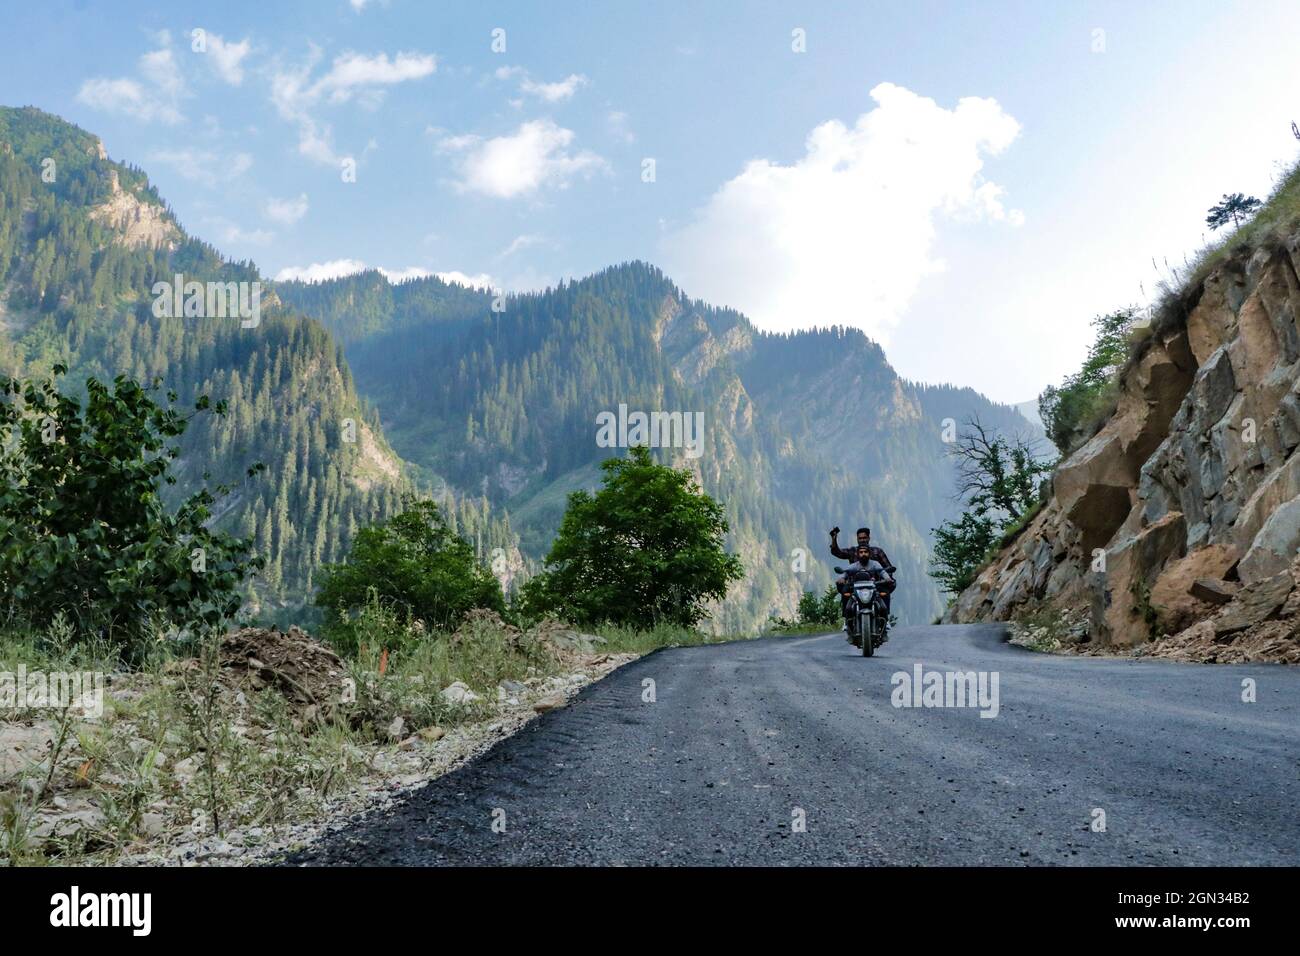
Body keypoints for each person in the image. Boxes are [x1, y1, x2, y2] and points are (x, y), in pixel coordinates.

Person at [836, 544, 894, 645]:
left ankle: (884, 630)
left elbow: (882, 572)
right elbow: (845, 573)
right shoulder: (854, 566)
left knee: (883, 607)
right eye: (861, 552)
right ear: (858, 554)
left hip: (872, 590)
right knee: (849, 608)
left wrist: (887, 578)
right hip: (857, 592)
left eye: (865, 552)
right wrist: (841, 578)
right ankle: (849, 629)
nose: (863, 554)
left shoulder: (875, 564)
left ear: (869, 553)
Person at [830, 526, 896, 614]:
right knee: (845, 592)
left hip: (875, 585)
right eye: (860, 538)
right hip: (855, 586)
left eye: (864, 538)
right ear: (857, 539)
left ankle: (885, 617)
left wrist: (887, 579)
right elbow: (837, 553)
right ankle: (847, 618)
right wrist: (834, 538)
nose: (862, 540)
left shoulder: (877, 552)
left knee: (885, 592)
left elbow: (886, 569)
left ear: (869, 538)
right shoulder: (852, 551)